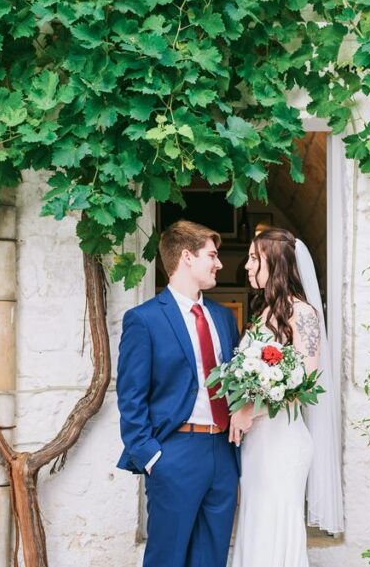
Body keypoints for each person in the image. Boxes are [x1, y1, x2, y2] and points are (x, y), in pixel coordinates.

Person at [116, 219, 240, 567]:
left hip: (223, 453)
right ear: (187, 257)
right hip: (175, 453)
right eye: (212, 255)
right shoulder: (144, 320)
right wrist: (153, 458)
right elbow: (130, 396)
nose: (219, 263)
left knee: (212, 558)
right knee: (167, 559)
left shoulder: (223, 318)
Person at [229, 227, 324, 567]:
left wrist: (248, 411)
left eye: (255, 258)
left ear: (276, 264)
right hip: (258, 445)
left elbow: (304, 383)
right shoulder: (264, 314)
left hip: (283, 442)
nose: (247, 266)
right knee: (255, 527)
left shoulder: (304, 314)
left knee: (275, 527)